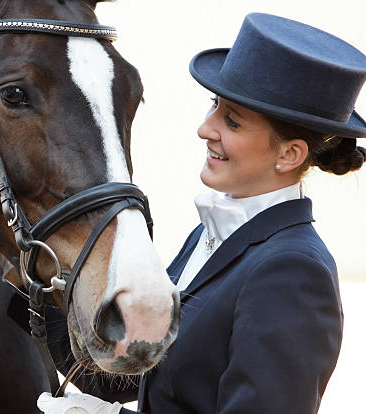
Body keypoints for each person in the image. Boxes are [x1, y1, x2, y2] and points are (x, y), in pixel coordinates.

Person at [37, 12, 366, 414]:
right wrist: (16, 273)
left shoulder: (294, 272)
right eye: (215, 105)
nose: (205, 128)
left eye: (232, 121)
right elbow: (136, 365)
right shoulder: (213, 233)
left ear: (289, 154)